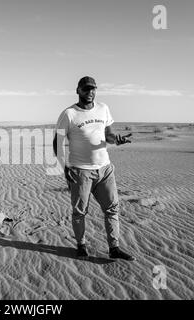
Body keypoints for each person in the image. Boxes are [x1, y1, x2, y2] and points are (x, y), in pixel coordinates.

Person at [53, 76, 135, 261]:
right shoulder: (69, 114)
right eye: (86, 89)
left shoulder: (103, 108)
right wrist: (64, 166)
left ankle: (114, 248)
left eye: (93, 89)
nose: (90, 92)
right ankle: (81, 245)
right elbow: (57, 141)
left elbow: (109, 135)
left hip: (105, 169)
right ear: (78, 90)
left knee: (112, 209)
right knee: (80, 211)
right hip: (80, 171)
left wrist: (117, 141)